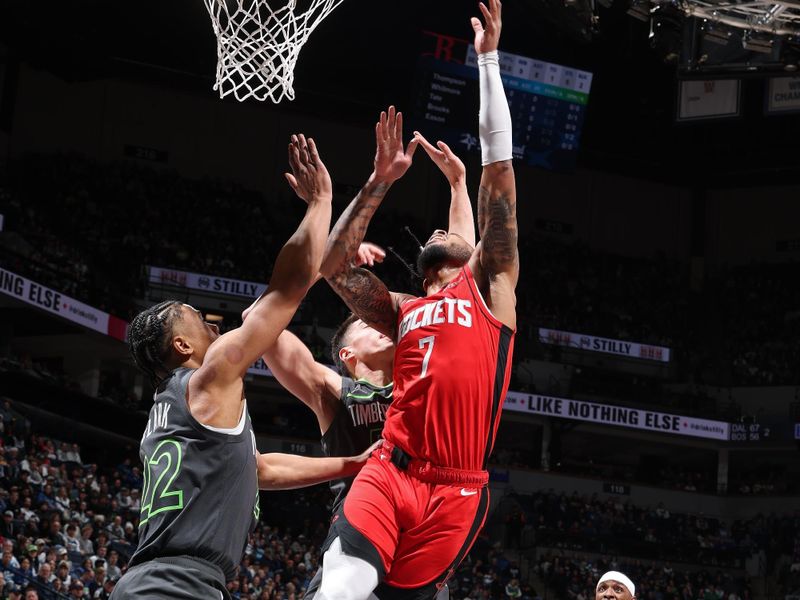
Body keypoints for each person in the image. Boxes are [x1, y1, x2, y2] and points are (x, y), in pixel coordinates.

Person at [110, 135, 373, 600]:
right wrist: (321, 202)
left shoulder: (179, 410)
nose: (210, 320)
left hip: (168, 582)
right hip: (175, 586)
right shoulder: (208, 379)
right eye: (195, 315)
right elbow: (284, 292)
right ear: (181, 343)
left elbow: (261, 470)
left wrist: (351, 464)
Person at [316, 1, 517, 597]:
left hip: (458, 490)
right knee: (340, 589)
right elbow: (332, 268)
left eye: (449, 232)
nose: (436, 230)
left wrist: (489, 63)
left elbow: (499, 174)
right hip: (390, 468)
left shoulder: (490, 291)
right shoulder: (404, 310)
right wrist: (379, 182)